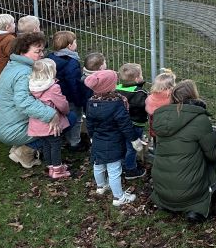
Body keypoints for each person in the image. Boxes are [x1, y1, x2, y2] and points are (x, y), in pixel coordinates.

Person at [151, 80, 216, 222]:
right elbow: (214, 155)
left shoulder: (160, 118)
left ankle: (166, 203)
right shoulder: (200, 119)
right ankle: (196, 208)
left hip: (162, 190)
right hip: (189, 193)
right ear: (194, 96)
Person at [0, 31, 59, 169]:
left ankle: (22, 145)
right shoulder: (24, 73)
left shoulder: (12, 65)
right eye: (37, 51)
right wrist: (51, 114)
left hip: (3, 125)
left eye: (42, 51)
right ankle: (25, 151)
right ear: (22, 52)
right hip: (12, 129)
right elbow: (24, 103)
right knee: (66, 119)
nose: (41, 55)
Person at [84, 68, 139, 207]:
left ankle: (101, 187)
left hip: (97, 140)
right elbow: (125, 124)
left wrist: (91, 136)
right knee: (114, 170)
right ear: (110, 86)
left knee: (98, 165)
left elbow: (89, 122)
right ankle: (118, 197)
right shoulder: (117, 103)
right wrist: (134, 139)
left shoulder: (91, 102)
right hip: (113, 142)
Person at [27, 58, 71, 180]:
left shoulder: (32, 87)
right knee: (55, 145)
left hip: (37, 124)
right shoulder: (53, 88)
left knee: (46, 145)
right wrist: (66, 111)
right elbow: (62, 104)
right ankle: (57, 170)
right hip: (51, 125)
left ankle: (50, 167)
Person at [48, 30, 88, 153]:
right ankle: (75, 142)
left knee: (62, 116)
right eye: (75, 42)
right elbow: (73, 84)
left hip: (56, 97)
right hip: (70, 97)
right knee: (76, 118)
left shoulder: (50, 58)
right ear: (70, 46)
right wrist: (78, 100)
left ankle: (64, 136)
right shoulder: (72, 63)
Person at [116, 63, 149, 180]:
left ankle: (120, 164)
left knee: (121, 144)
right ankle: (130, 169)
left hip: (119, 124)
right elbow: (146, 108)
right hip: (135, 125)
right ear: (137, 79)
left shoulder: (116, 89)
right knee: (132, 147)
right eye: (141, 74)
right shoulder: (140, 93)